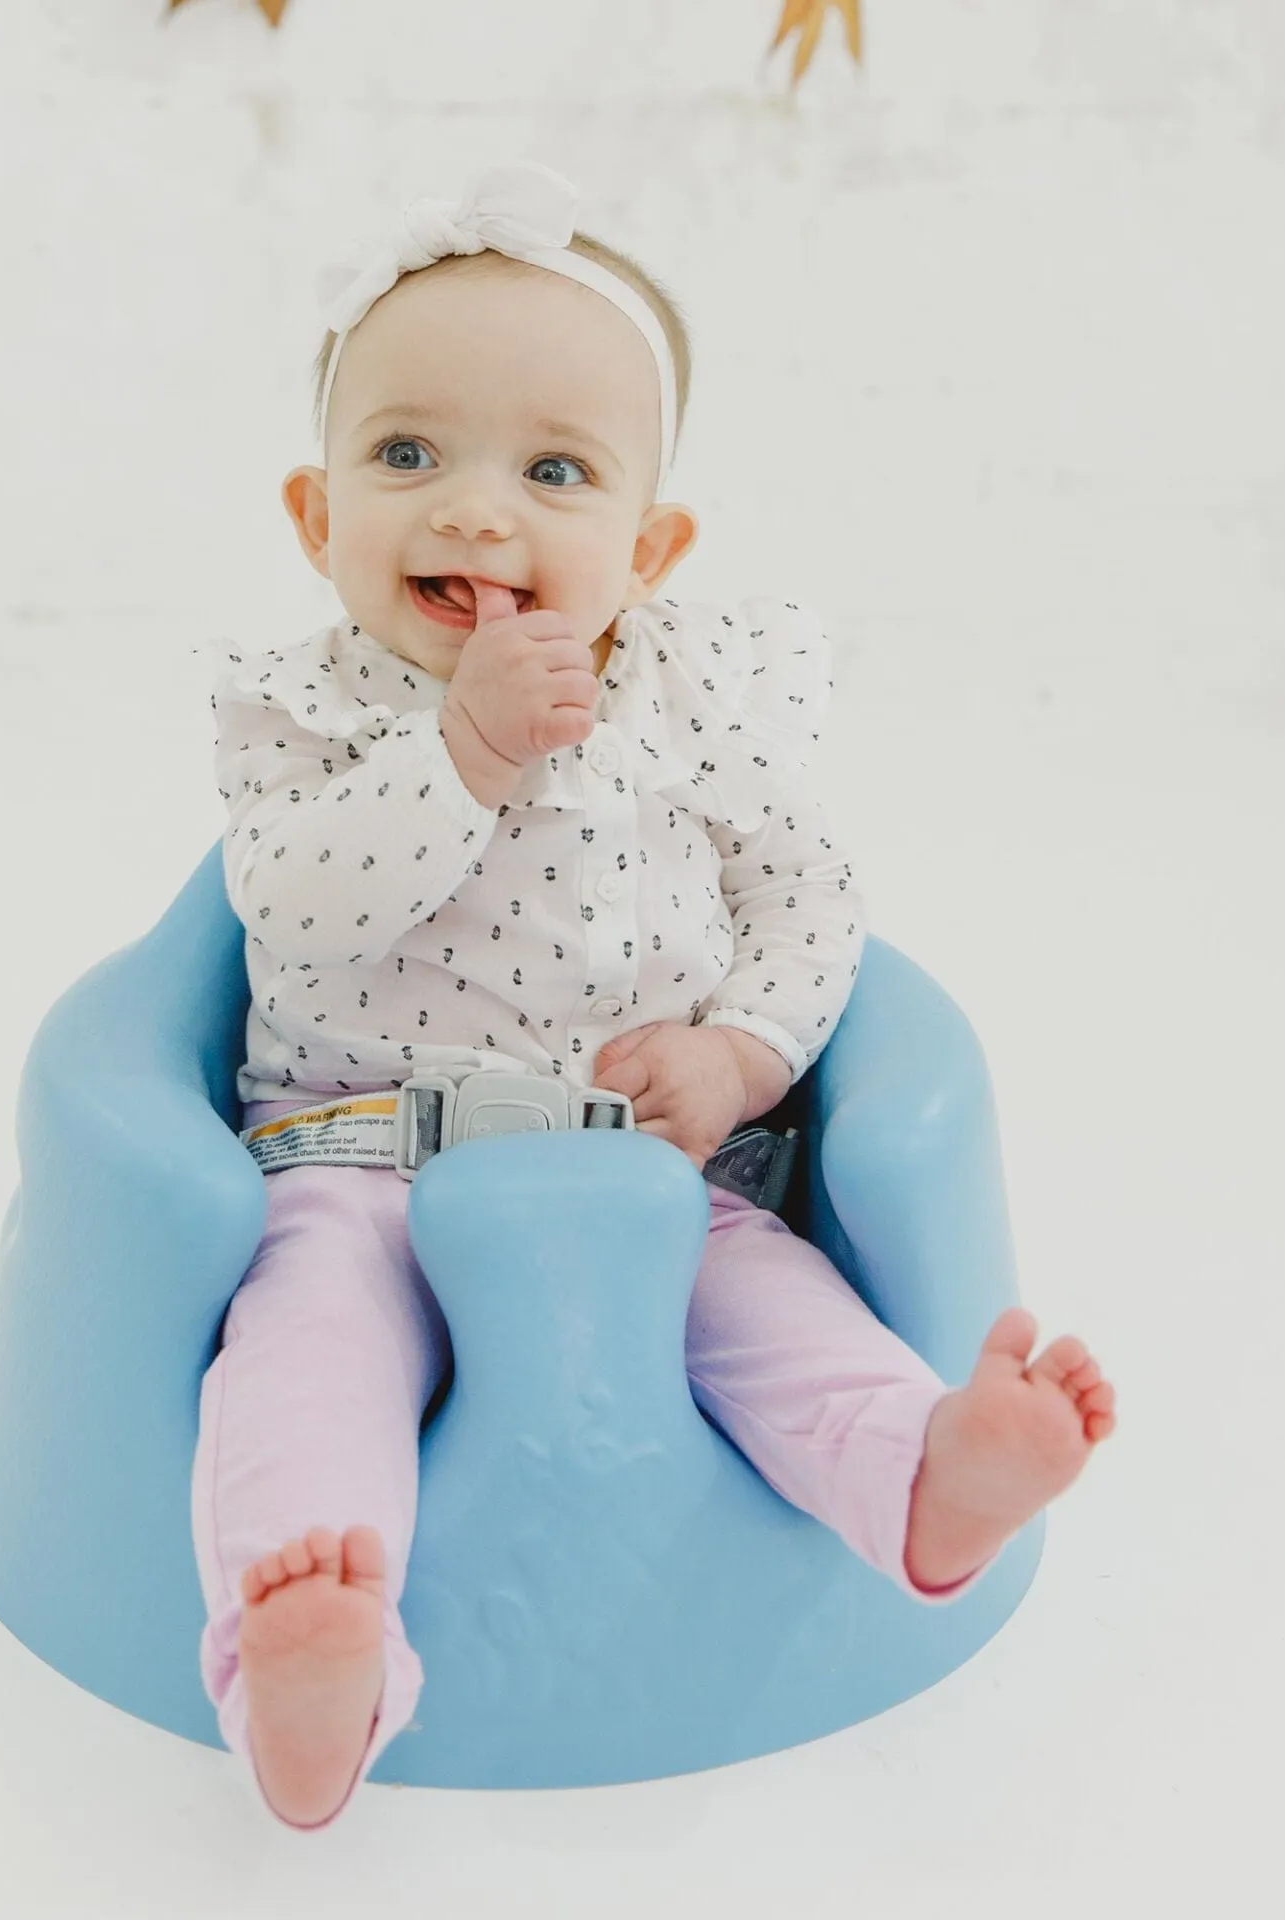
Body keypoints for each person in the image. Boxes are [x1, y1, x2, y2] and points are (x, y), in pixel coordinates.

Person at [192, 161, 1118, 1831]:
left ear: (649, 544)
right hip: (355, 1164)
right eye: (407, 455)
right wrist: (457, 746)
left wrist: (746, 1050)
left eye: (553, 470)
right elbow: (289, 907)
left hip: (656, 1175)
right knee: (303, 1362)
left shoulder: (702, 696)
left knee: (775, 1325)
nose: (475, 511)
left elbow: (813, 895)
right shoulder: (306, 708)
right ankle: (308, 1650)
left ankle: (927, 1480)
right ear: (318, 518)